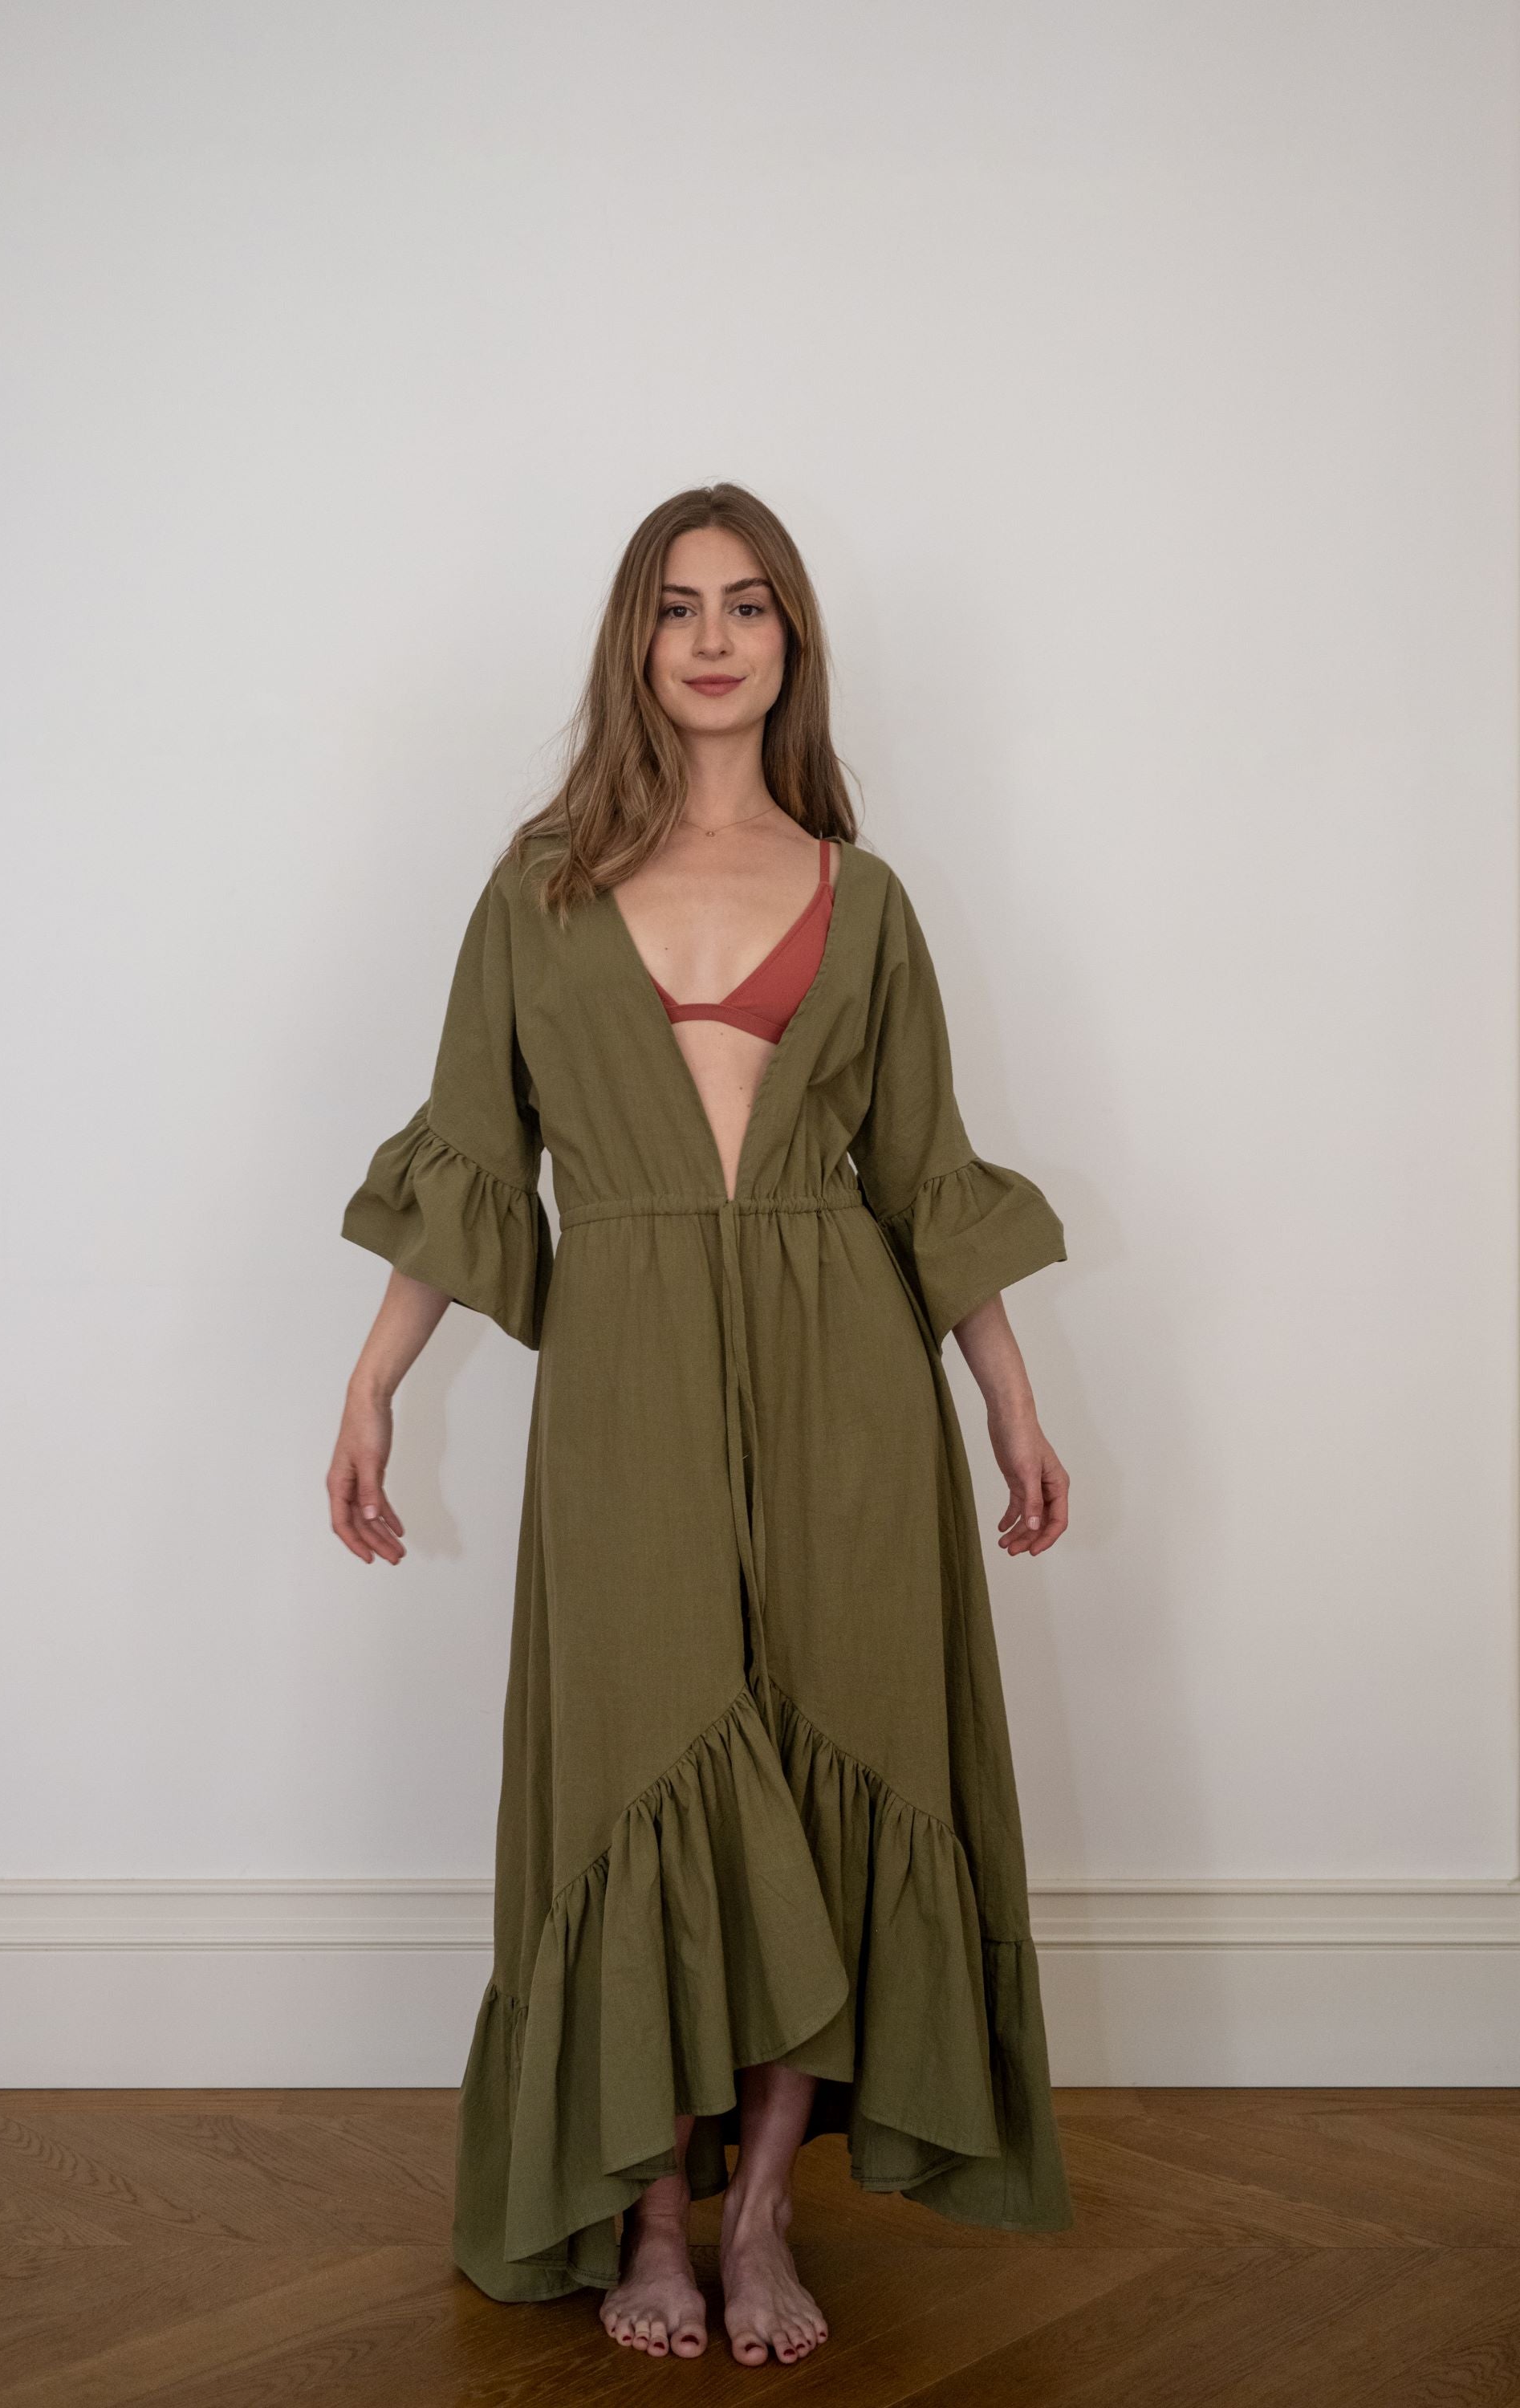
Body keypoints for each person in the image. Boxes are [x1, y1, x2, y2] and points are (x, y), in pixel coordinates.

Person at [328, 482, 1074, 2369]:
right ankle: (646, 2212)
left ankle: (755, 2216)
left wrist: (1007, 1402)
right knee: (637, 1766)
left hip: (848, 1379)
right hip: (629, 1373)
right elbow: (471, 1155)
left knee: (831, 1758)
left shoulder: (861, 896)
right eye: (678, 607)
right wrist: (373, 1381)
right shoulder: (538, 891)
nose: (715, 638)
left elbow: (924, 1174)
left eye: (749, 604)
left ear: (790, 640)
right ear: (636, 643)